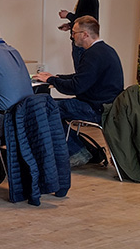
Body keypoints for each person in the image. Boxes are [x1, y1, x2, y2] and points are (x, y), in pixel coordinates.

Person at [34, 16, 123, 166]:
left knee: (42, 109)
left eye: (74, 33)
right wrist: (56, 78)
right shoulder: (105, 50)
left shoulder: (93, 54)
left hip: (95, 109)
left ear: (85, 34)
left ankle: (78, 152)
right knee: (49, 107)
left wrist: (51, 81)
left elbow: (76, 87)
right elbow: (82, 78)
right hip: (106, 106)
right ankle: (80, 150)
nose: (72, 36)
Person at [58, 0, 99, 69]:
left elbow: (85, 21)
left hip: (82, 42)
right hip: (84, 39)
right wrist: (70, 25)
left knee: (81, 72)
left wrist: (67, 15)